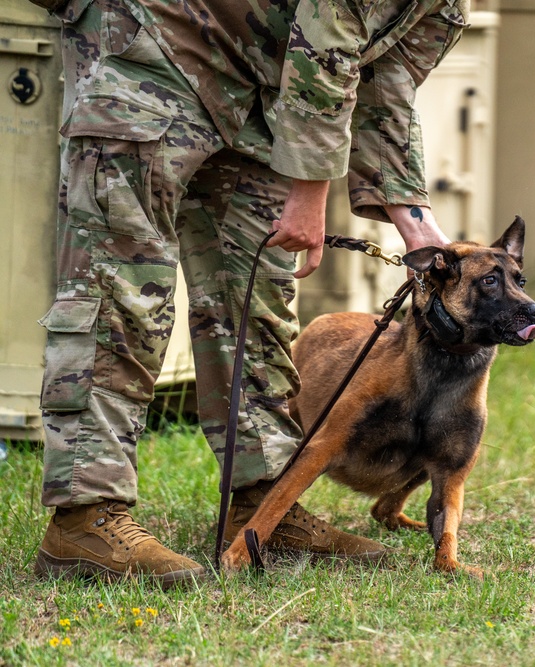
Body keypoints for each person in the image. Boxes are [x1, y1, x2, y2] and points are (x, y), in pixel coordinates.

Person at [33, 0, 466, 588]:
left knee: (256, 293)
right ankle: (85, 515)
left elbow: (378, 76)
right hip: (154, 40)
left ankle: (265, 505)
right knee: (121, 287)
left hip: (257, 90)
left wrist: (414, 218)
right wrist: (311, 191)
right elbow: (330, 35)